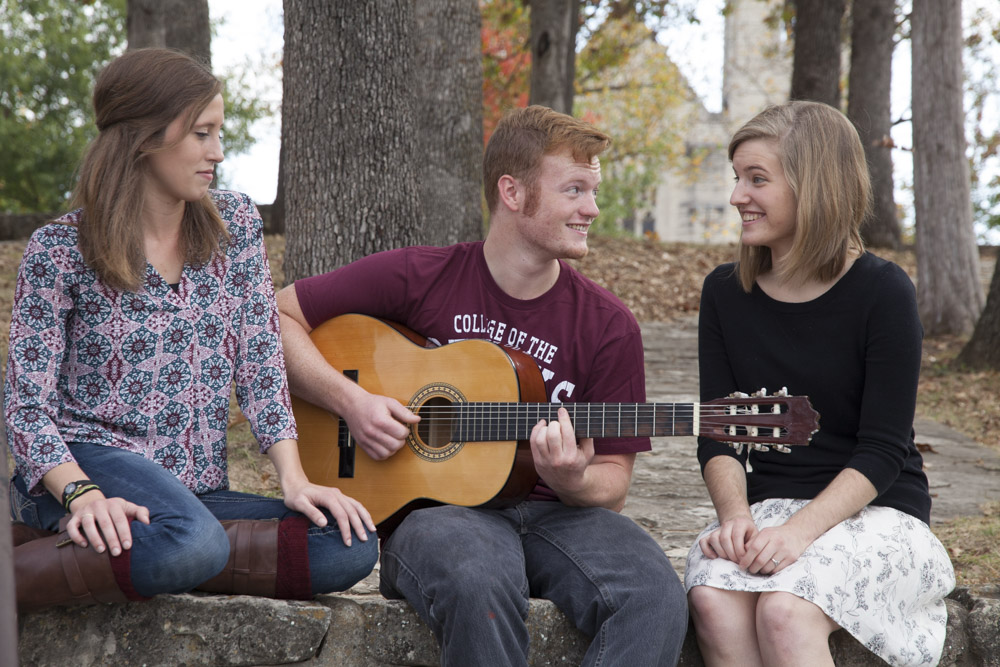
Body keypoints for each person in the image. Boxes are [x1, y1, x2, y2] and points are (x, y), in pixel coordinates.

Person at [276, 105, 688, 666]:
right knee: (477, 584)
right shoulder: (420, 277)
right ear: (513, 193)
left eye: (593, 190)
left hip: (559, 516)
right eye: (573, 190)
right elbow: (277, 316)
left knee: (656, 594)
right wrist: (351, 402)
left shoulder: (608, 325)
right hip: (438, 515)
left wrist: (572, 479)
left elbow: (612, 484)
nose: (591, 209)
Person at [6, 48, 378, 613]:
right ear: (143, 138)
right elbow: (24, 407)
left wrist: (295, 480)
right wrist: (81, 494)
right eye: (202, 134)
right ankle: (49, 560)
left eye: (218, 132)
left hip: (196, 491)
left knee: (348, 542)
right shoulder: (60, 250)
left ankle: (145, 555)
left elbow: (260, 363)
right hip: (88, 464)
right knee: (195, 539)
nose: (218, 153)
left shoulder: (238, 229)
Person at [685, 100, 955, 666]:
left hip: (878, 511)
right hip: (768, 509)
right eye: (737, 177)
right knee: (712, 598)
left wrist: (798, 534)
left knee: (784, 610)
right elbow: (718, 435)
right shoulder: (726, 293)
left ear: (817, 185)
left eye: (757, 179)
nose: (738, 196)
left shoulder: (882, 292)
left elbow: (882, 451)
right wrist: (736, 519)